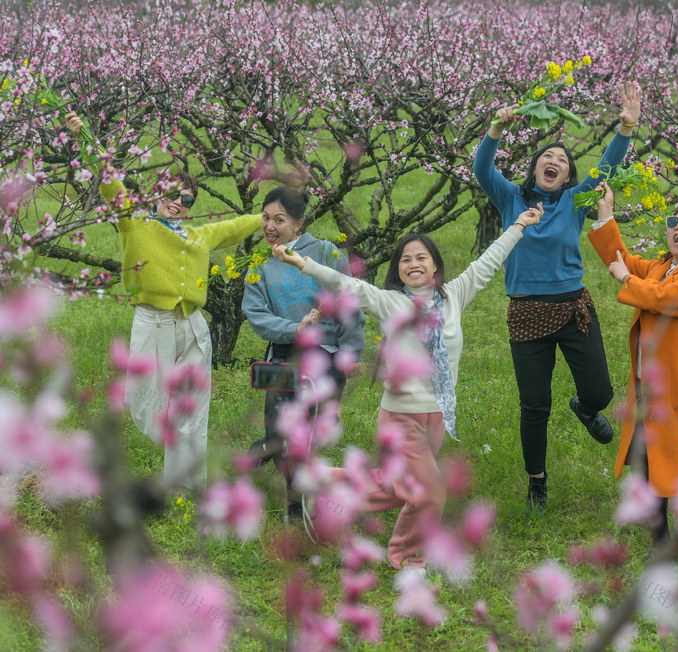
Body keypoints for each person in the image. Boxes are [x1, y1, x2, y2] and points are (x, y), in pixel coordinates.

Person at [271, 206, 542, 570]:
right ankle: (405, 557)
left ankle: (316, 482)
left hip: (439, 416)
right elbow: (347, 285)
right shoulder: (391, 303)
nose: (413, 264)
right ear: (398, 269)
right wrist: (303, 263)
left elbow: (487, 263)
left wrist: (519, 226)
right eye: (405, 260)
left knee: (393, 487)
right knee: (429, 489)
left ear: (435, 266)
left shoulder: (454, 297)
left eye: (421, 258)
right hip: (400, 417)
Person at [65, 112, 261, 491]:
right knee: (146, 405)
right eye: (171, 194)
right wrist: (84, 136)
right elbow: (109, 180)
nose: (178, 202)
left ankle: (186, 485)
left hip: (192, 327)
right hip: (152, 323)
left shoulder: (198, 234)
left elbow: (235, 227)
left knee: (194, 409)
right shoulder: (135, 220)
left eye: (186, 199)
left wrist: (268, 218)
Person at [473, 81, 642, 509]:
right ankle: (537, 482)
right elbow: (481, 168)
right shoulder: (511, 197)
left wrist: (626, 127)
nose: (554, 162)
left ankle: (585, 410)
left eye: (562, 161)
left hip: (573, 310)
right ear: (533, 169)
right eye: (547, 157)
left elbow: (606, 167)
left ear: (568, 176)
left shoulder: (574, 201)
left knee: (601, 392)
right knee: (535, 405)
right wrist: (494, 130)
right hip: (526, 314)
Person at [588, 183, 678, 543]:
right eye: (673, 221)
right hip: (652, 388)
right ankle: (660, 540)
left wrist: (626, 279)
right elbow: (621, 258)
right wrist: (606, 213)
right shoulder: (662, 266)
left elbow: (662, 298)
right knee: (649, 462)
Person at [241, 186, 365, 478]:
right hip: (285, 350)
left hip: (328, 351)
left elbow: (350, 303)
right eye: (265, 217)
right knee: (280, 427)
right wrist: (294, 328)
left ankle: (295, 488)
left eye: (279, 219)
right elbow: (257, 316)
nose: (269, 226)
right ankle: (273, 451)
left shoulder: (326, 253)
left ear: (298, 223)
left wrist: (353, 350)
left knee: (312, 428)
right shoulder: (258, 263)